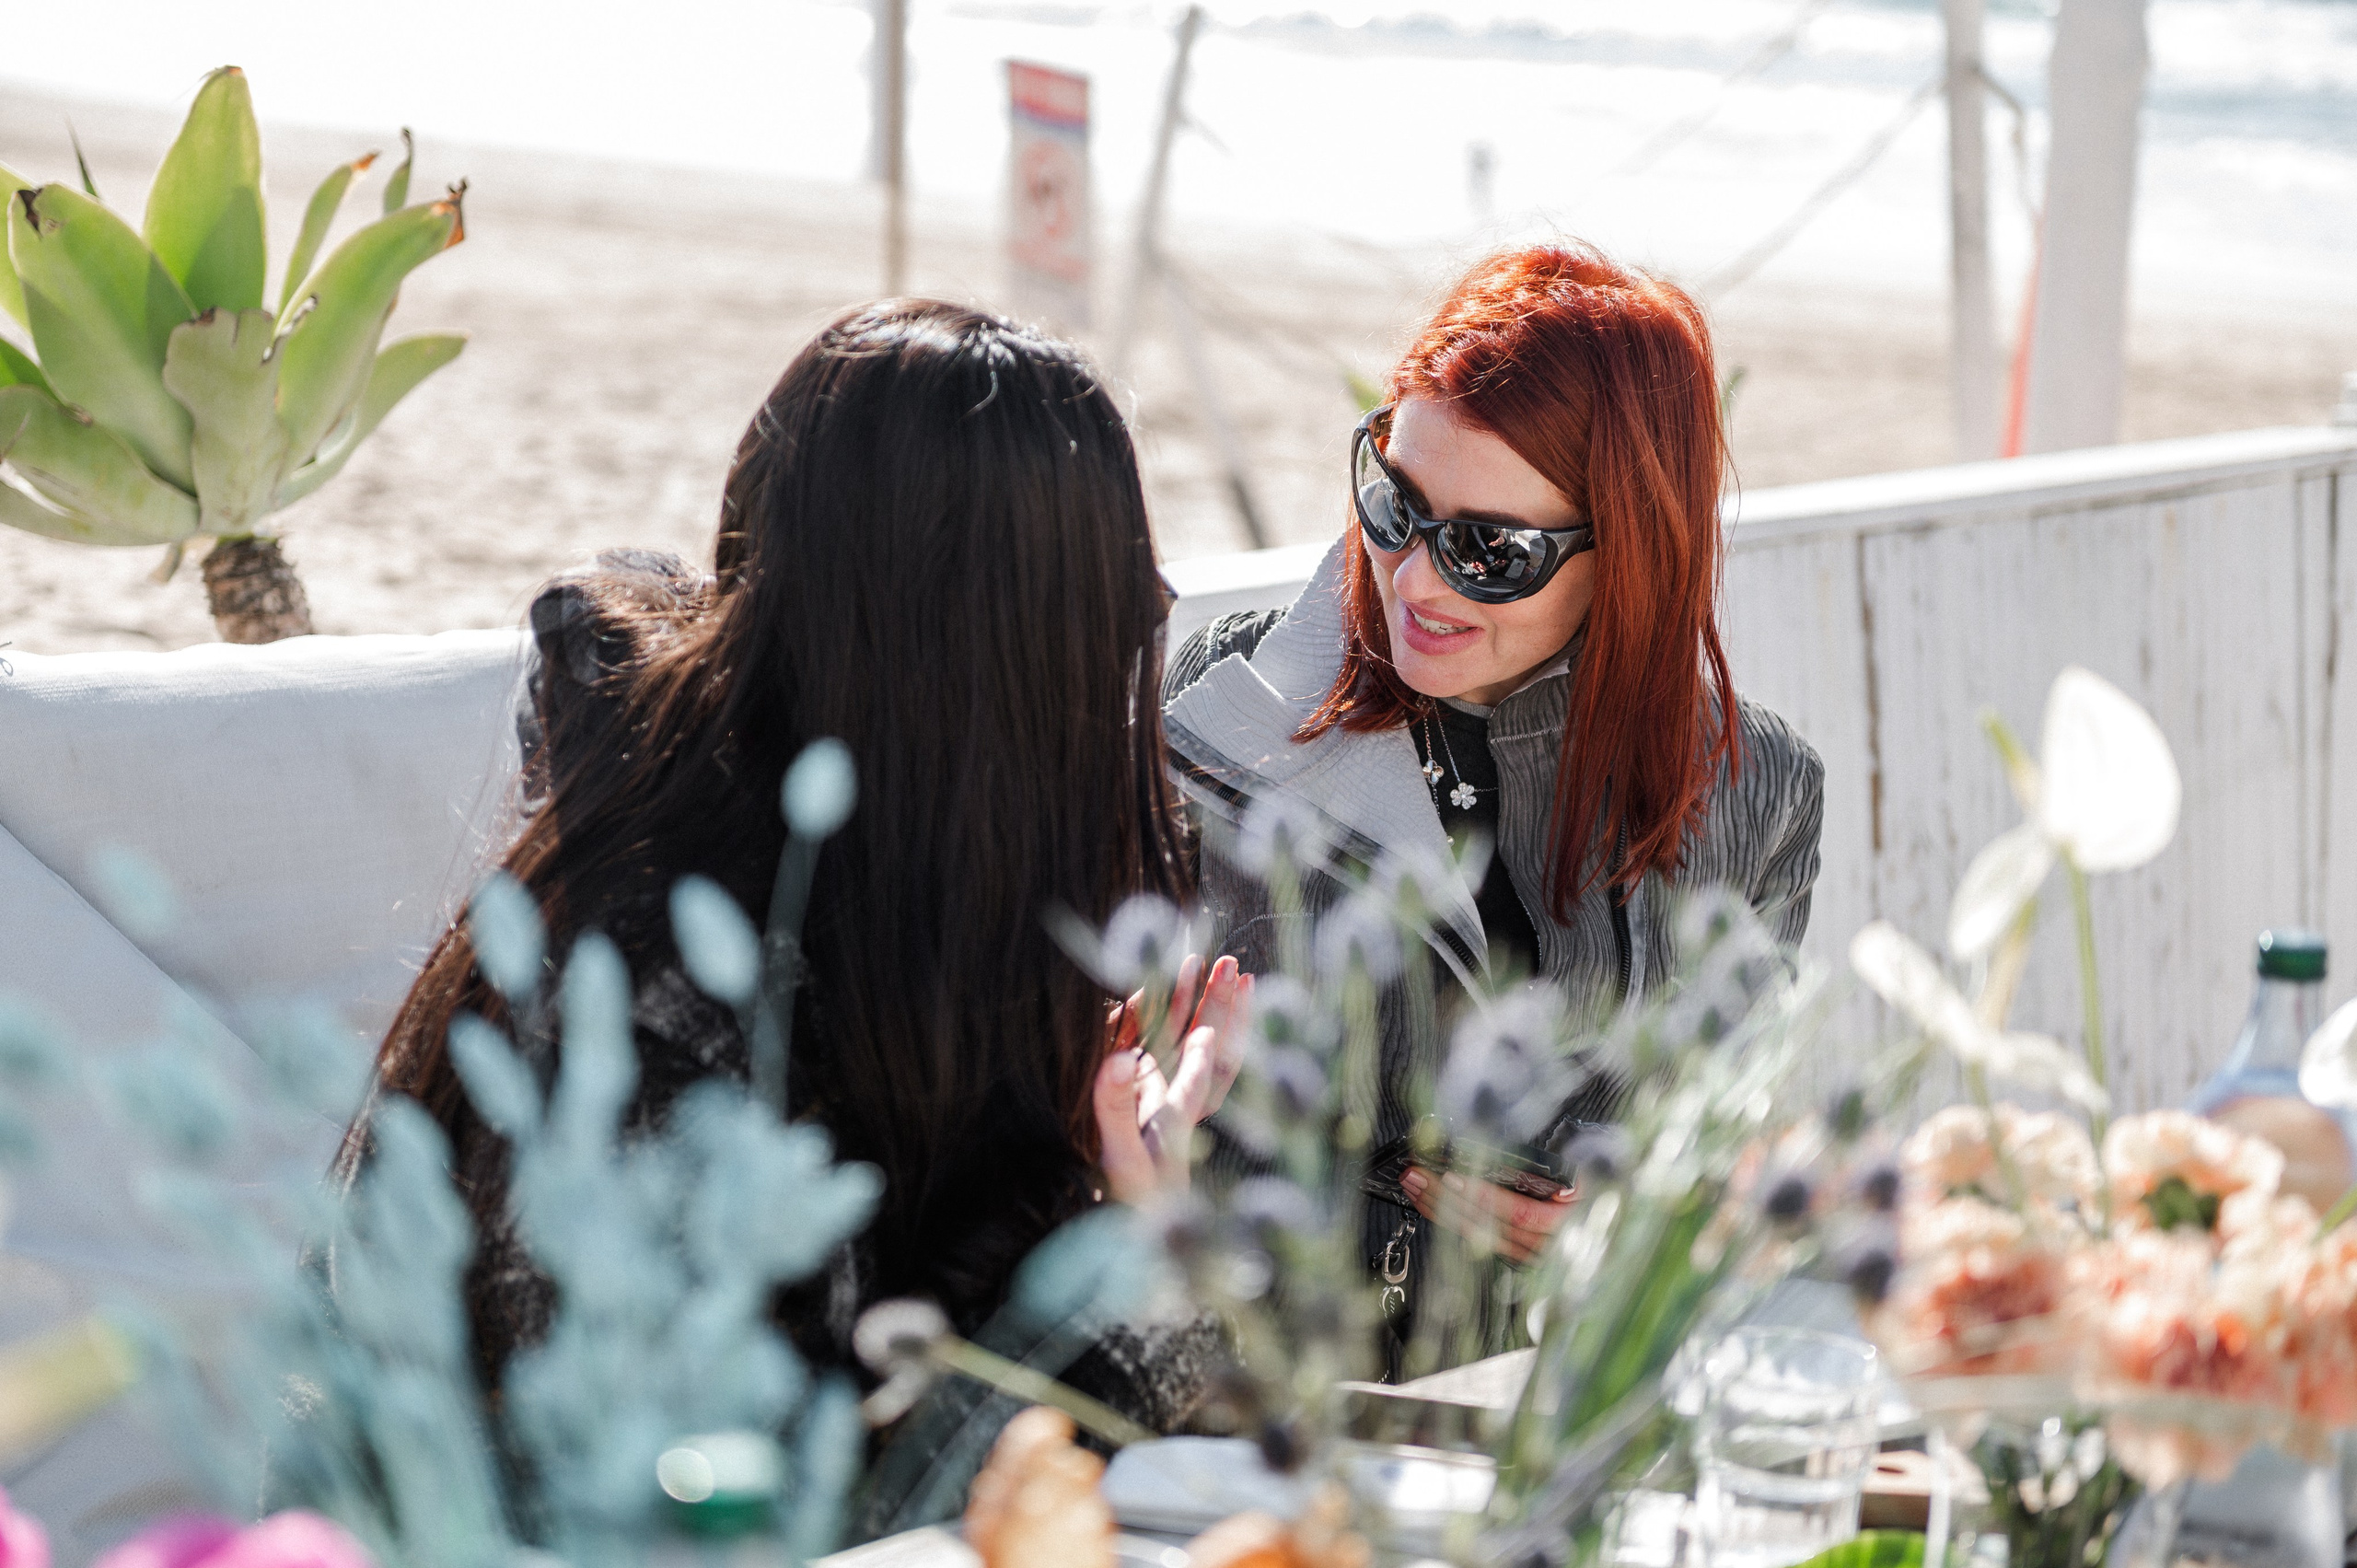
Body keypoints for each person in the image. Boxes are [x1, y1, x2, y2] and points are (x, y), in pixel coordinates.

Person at [343, 300, 1244, 1439]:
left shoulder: (873, 924)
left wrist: (1106, 1172)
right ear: (984, 691)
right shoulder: (660, 1006)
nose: (1122, 688)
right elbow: (807, 1507)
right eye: (1115, 625)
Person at [1161, 242, 1824, 1361]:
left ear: (1630, 555)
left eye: (1489, 551)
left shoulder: (1755, 795)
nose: (1414, 577)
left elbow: (1725, 1159)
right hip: (1260, 1428)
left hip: (1557, 1434)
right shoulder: (1232, 708)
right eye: (1394, 497)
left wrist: (1642, 1225)